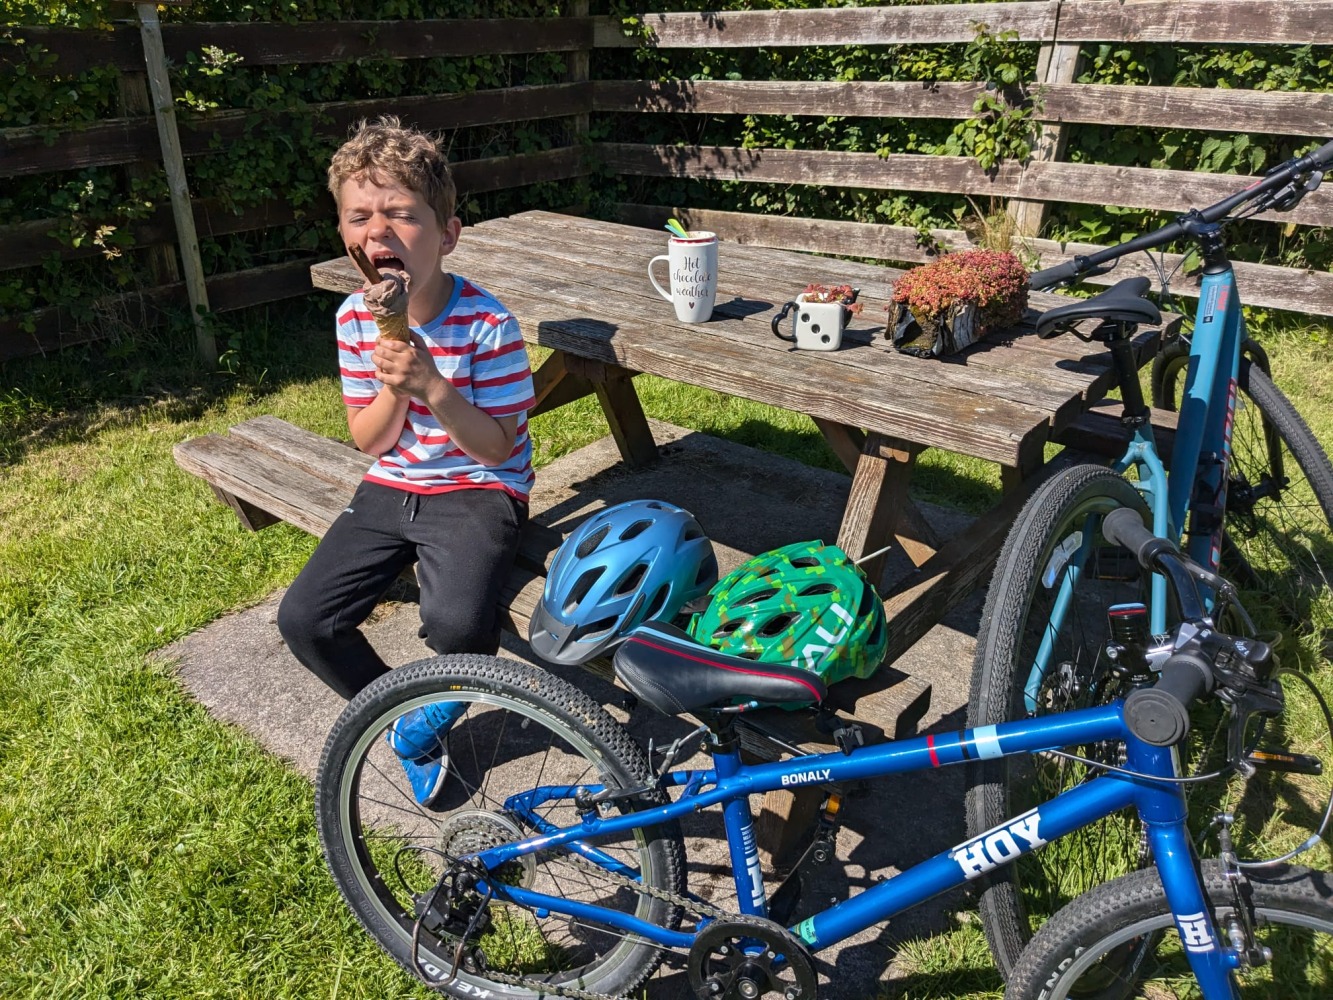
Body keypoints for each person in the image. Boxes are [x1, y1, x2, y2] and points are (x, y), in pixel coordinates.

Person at [277, 116, 535, 807]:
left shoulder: (487, 324)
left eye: (401, 214)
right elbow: (371, 441)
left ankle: (427, 711)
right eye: (360, 216)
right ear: (344, 236)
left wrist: (432, 386)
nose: (379, 230)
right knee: (306, 619)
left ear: (446, 233)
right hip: (394, 481)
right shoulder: (354, 320)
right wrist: (395, 387)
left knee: (457, 627)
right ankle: (398, 720)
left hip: (479, 486)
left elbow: (497, 446)